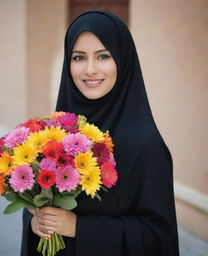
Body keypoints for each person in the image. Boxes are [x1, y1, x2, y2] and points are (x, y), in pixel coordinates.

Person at [20, 10, 179, 256]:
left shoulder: (145, 145)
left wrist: (79, 228)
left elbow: (158, 238)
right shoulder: (57, 132)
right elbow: (41, 200)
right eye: (79, 57)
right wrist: (36, 220)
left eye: (103, 56)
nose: (90, 70)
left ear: (122, 61)